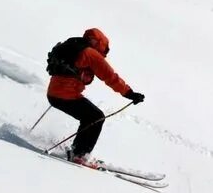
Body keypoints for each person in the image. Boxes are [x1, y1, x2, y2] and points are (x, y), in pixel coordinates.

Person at [45, 28, 144, 168]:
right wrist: (129, 93)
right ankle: (79, 155)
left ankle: (78, 151)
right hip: (65, 95)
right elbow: (110, 76)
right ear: (99, 43)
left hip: (54, 93)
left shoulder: (73, 45)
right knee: (96, 117)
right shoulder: (90, 54)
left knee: (90, 116)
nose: (105, 53)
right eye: (105, 49)